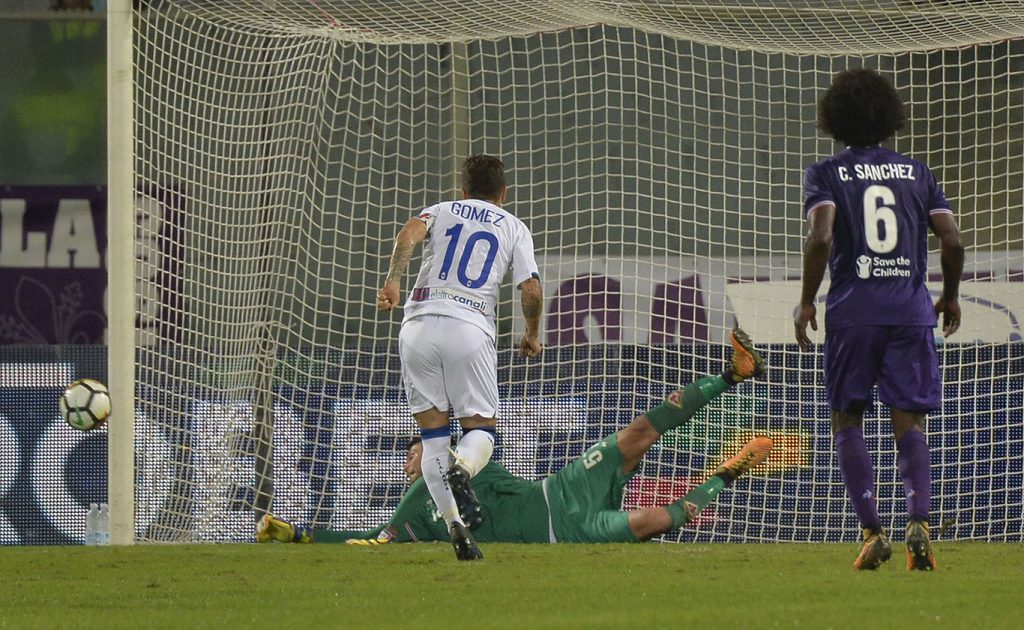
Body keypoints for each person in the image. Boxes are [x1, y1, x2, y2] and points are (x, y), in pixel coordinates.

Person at [257, 329, 772, 549]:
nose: (416, 458)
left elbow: (469, 435)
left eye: (421, 448)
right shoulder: (413, 511)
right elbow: (370, 542)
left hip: (561, 489)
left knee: (637, 431)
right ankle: (729, 471)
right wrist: (300, 535)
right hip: (564, 534)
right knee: (652, 521)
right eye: (415, 453)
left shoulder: (468, 457)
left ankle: (733, 374)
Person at [793, 69, 964, 571]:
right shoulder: (917, 173)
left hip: (854, 313)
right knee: (909, 418)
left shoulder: (825, 173)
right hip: (910, 312)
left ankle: (871, 532)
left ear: (834, 119)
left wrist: (806, 301)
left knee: (847, 417)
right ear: (890, 117)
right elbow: (952, 240)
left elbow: (821, 238)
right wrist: (950, 296)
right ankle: (920, 525)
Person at [376, 155, 543, 560]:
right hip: (468, 327)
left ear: (463, 191)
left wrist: (394, 281)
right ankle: (463, 468)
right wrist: (531, 334)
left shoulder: (441, 210)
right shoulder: (514, 226)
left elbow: (408, 234)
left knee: (434, 438)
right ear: (504, 193)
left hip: (416, 327)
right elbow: (531, 290)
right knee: (481, 429)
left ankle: (456, 526)